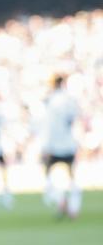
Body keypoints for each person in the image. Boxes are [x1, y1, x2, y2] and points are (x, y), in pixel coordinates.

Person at [42, 75, 82, 220]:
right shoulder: (70, 100)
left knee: (48, 177)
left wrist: (46, 146)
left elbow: (49, 126)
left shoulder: (51, 101)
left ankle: (61, 200)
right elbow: (76, 119)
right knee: (72, 177)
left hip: (54, 145)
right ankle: (74, 208)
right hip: (69, 144)